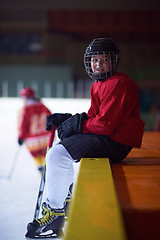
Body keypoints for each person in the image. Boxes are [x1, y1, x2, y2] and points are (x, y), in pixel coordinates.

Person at [25, 38, 145, 238]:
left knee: (57, 155)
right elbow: (93, 117)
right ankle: (66, 197)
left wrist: (77, 125)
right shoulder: (99, 84)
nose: (97, 64)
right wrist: (69, 119)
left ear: (114, 61)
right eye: (93, 60)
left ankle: (55, 213)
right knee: (61, 149)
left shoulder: (119, 83)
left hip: (116, 142)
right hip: (109, 137)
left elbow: (105, 125)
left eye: (103, 59)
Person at [18, 87, 53, 173]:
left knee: (37, 158)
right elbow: (51, 118)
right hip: (46, 138)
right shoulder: (42, 106)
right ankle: (46, 171)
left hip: (33, 141)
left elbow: (23, 125)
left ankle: (41, 170)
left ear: (27, 97)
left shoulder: (26, 109)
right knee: (46, 157)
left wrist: (20, 137)